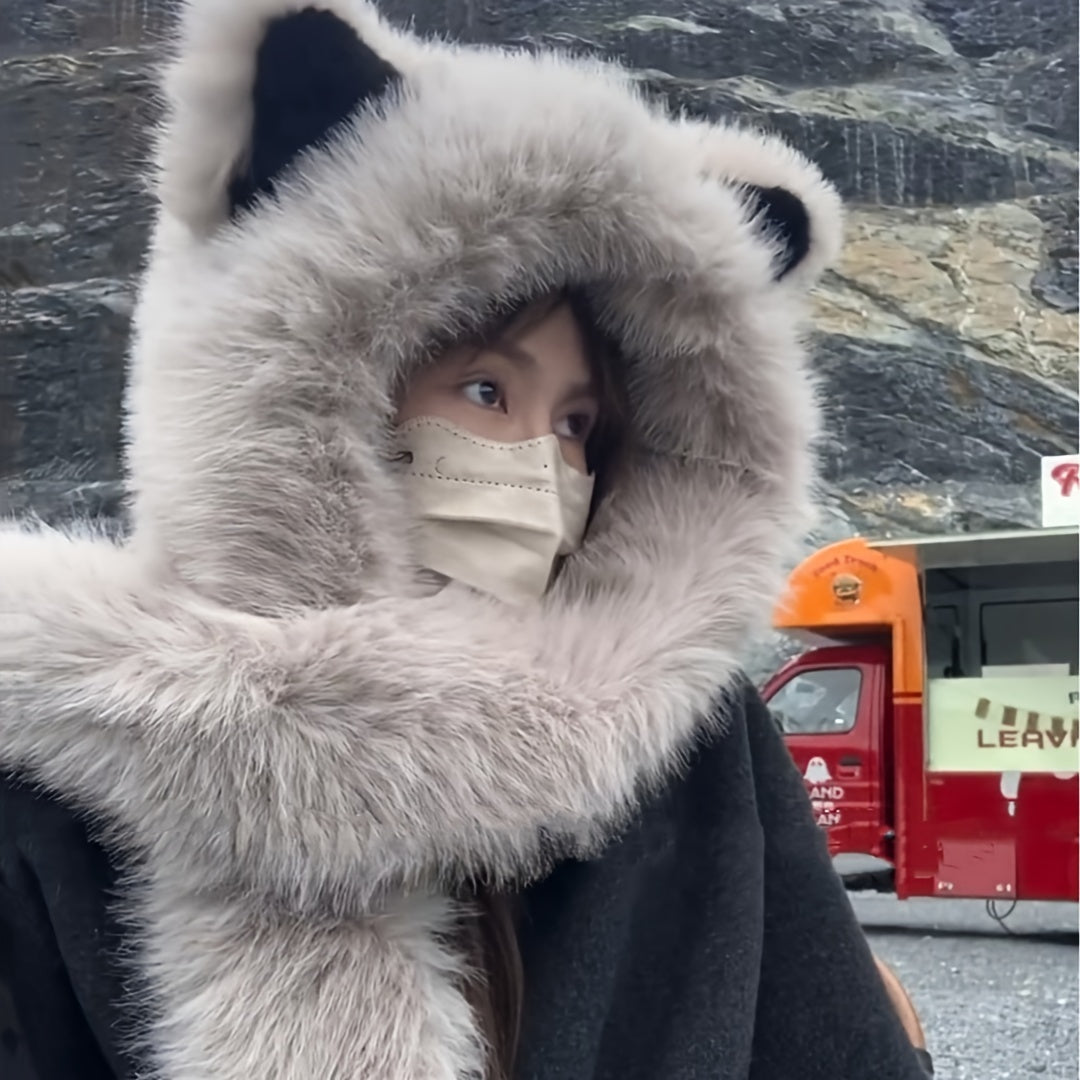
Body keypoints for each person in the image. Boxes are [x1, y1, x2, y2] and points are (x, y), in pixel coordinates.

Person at [0, 1, 934, 1078]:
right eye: (487, 390)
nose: (544, 463)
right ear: (320, 386)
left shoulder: (689, 745)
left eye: (580, 425)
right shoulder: (67, 762)